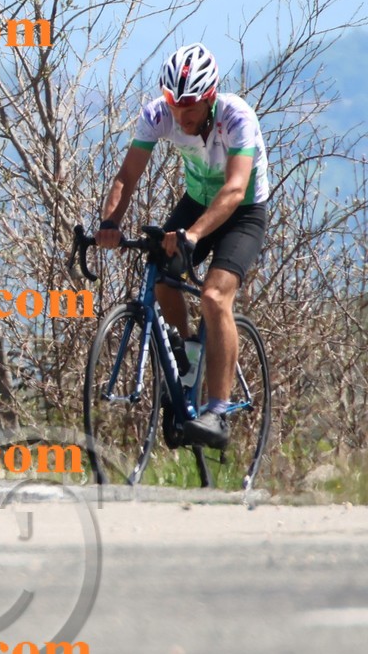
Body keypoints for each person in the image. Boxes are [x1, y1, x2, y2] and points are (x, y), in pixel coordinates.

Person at [95, 43, 270, 450]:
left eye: (190, 107)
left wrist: (191, 236)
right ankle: (187, 359)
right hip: (197, 201)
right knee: (159, 272)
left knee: (213, 295)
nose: (181, 116)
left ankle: (218, 411)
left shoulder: (237, 116)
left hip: (242, 209)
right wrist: (109, 223)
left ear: (210, 98)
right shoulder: (157, 115)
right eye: (175, 105)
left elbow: (235, 188)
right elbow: (127, 175)